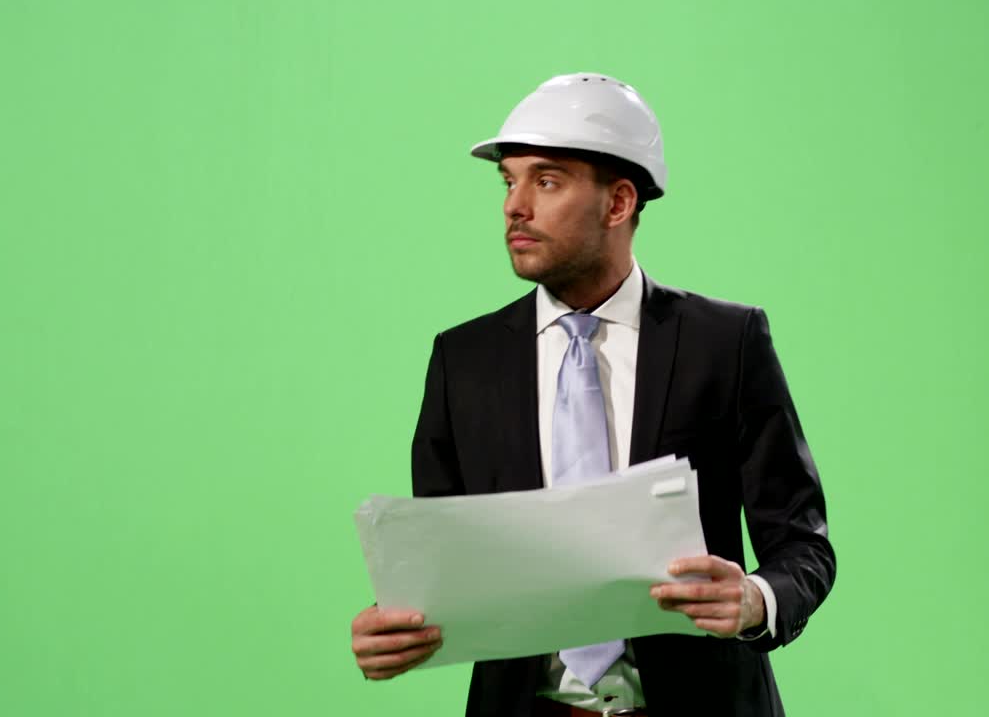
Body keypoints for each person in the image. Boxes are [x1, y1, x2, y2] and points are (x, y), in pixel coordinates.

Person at [350, 73, 835, 717]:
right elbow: (450, 565)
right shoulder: (462, 360)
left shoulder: (727, 343)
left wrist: (756, 600)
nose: (514, 206)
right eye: (509, 181)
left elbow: (803, 543)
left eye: (545, 181)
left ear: (618, 203)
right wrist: (398, 625)